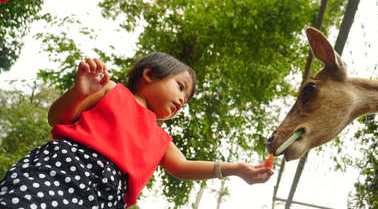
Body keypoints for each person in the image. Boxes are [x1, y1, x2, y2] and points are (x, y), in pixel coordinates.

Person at [0, 53, 274, 208]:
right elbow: (56, 117)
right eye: (180, 87)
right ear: (150, 74)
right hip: (64, 169)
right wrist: (79, 92)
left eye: (186, 100)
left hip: (104, 200)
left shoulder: (161, 138)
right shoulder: (111, 90)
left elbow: (182, 167)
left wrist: (236, 169)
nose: (181, 101)